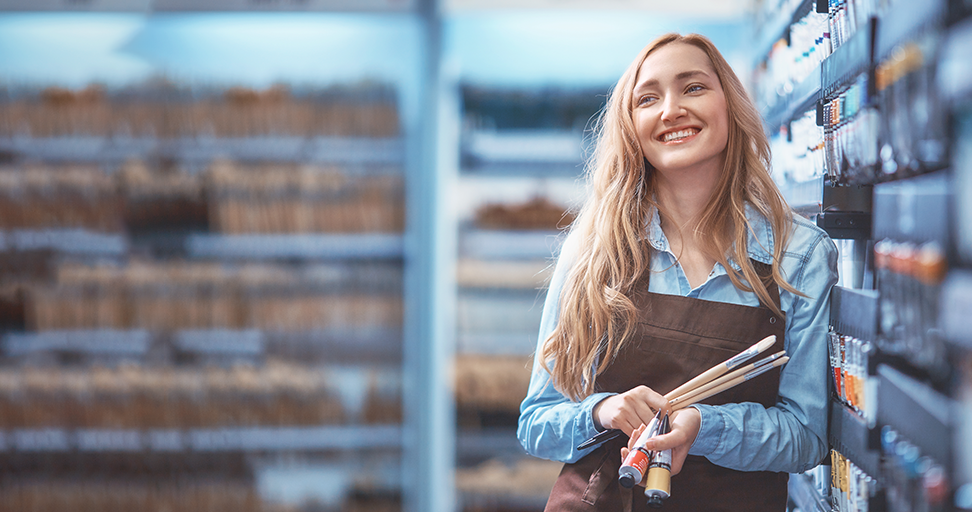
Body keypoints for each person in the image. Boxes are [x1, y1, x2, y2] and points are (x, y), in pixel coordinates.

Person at [517, 32, 838, 512]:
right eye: (648, 98)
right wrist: (602, 410)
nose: (671, 110)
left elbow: (807, 436)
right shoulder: (594, 249)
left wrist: (704, 426)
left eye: (694, 88)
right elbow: (536, 422)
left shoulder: (799, 256)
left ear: (730, 105)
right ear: (631, 125)